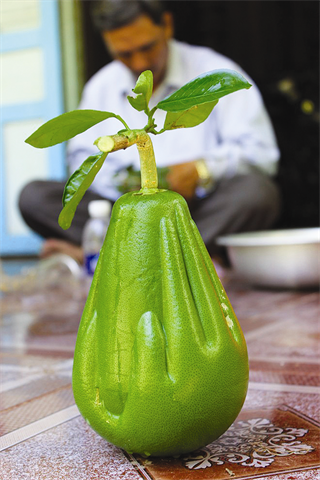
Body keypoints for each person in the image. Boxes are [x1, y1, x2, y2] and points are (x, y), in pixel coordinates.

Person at [19, 0, 281, 264]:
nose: (139, 62)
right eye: (124, 54)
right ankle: (182, 262)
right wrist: (123, 183)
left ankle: (107, 260)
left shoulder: (214, 76)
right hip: (123, 215)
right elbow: (81, 158)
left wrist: (203, 170)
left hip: (193, 212)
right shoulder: (101, 87)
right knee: (34, 197)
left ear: (166, 25)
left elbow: (261, 153)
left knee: (258, 194)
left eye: (147, 48)